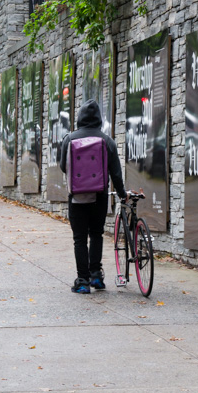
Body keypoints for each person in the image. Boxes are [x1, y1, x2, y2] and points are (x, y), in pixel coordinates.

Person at [60, 99, 126, 294]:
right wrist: (122, 195)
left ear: (80, 117)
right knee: (96, 234)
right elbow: (116, 173)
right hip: (100, 196)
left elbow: (64, 167)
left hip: (77, 197)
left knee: (79, 239)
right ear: (99, 119)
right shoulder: (106, 141)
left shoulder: (69, 139)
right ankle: (96, 276)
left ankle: (82, 281)